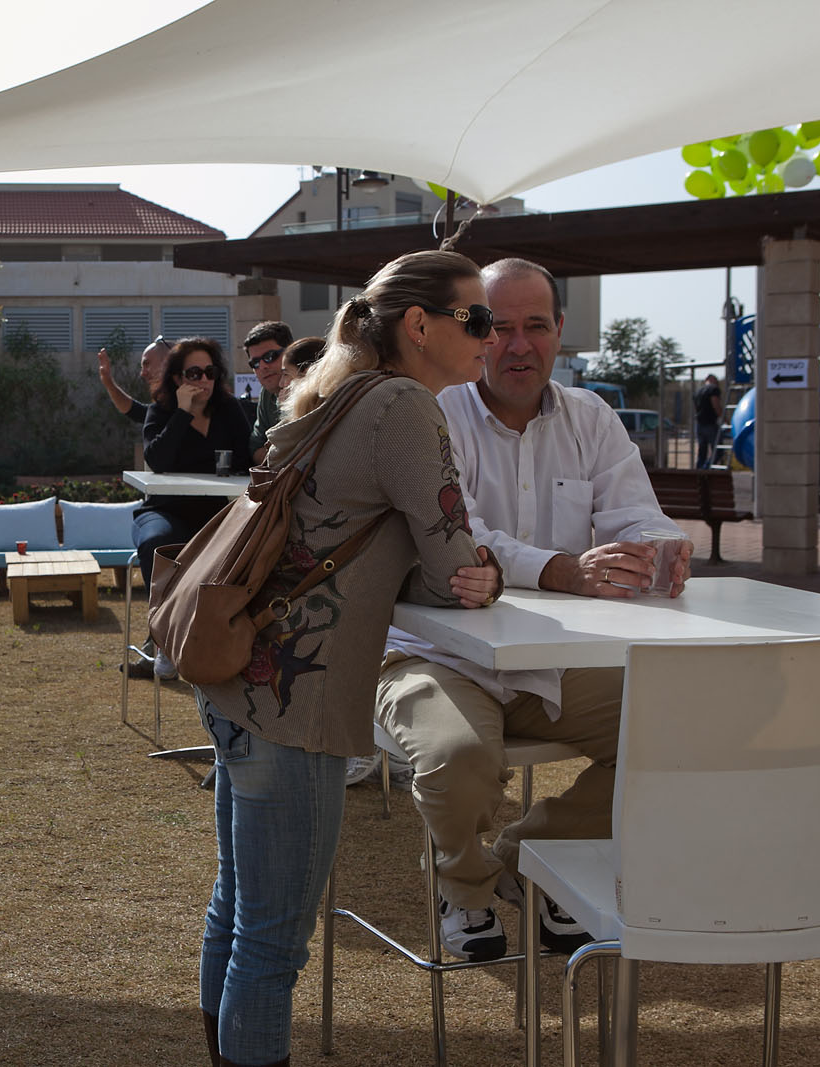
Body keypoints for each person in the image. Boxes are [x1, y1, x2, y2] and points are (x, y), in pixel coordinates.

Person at [194, 251, 504, 1067]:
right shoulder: (404, 405)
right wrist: (486, 571)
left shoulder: (344, 392)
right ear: (420, 325)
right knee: (272, 942)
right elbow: (454, 565)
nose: (492, 336)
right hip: (296, 701)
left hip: (240, 674)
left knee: (238, 910)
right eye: (477, 318)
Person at [377, 257, 695, 964]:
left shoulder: (590, 416)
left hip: (550, 656)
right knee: (460, 758)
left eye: (537, 326)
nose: (517, 345)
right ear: (474, 331)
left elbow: (636, 515)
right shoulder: (430, 412)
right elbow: (459, 540)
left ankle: (534, 858)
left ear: (561, 331)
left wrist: (661, 549)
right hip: (437, 655)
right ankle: (463, 887)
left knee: (677, 728)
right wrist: (563, 569)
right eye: (499, 327)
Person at [130, 338, 254, 678]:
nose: (204, 380)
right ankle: (164, 639)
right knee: (159, 543)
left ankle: (220, 643)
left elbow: (247, 457)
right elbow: (157, 460)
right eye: (194, 373)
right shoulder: (161, 411)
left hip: (215, 513)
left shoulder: (228, 410)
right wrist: (183, 413)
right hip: (163, 509)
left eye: (210, 372)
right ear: (177, 378)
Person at [242, 321, 293, 464]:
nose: (263, 366)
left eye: (270, 356)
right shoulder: (267, 393)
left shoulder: (314, 389)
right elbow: (255, 449)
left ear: (291, 352)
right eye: (255, 363)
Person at [97, 337, 173, 424]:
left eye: (147, 364)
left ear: (166, 363)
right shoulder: (164, 409)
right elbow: (136, 411)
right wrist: (108, 381)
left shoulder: (184, 406)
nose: (142, 374)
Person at [694, 373, 724, 468]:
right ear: (713, 380)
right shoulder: (713, 389)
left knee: (702, 452)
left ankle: (699, 471)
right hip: (710, 423)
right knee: (718, 451)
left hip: (699, 424)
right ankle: (706, 468)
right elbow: (716, 405)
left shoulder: (698, 391)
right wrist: (725, 419)